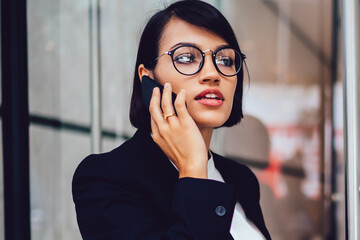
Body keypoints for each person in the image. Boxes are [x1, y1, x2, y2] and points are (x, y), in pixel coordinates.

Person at [72, 0, 271, 239]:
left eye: (225, 60)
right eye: (187, 57)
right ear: (148, 78)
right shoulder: (106, 177)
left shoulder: (241, 178)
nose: (212, 73)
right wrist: (193, 170)